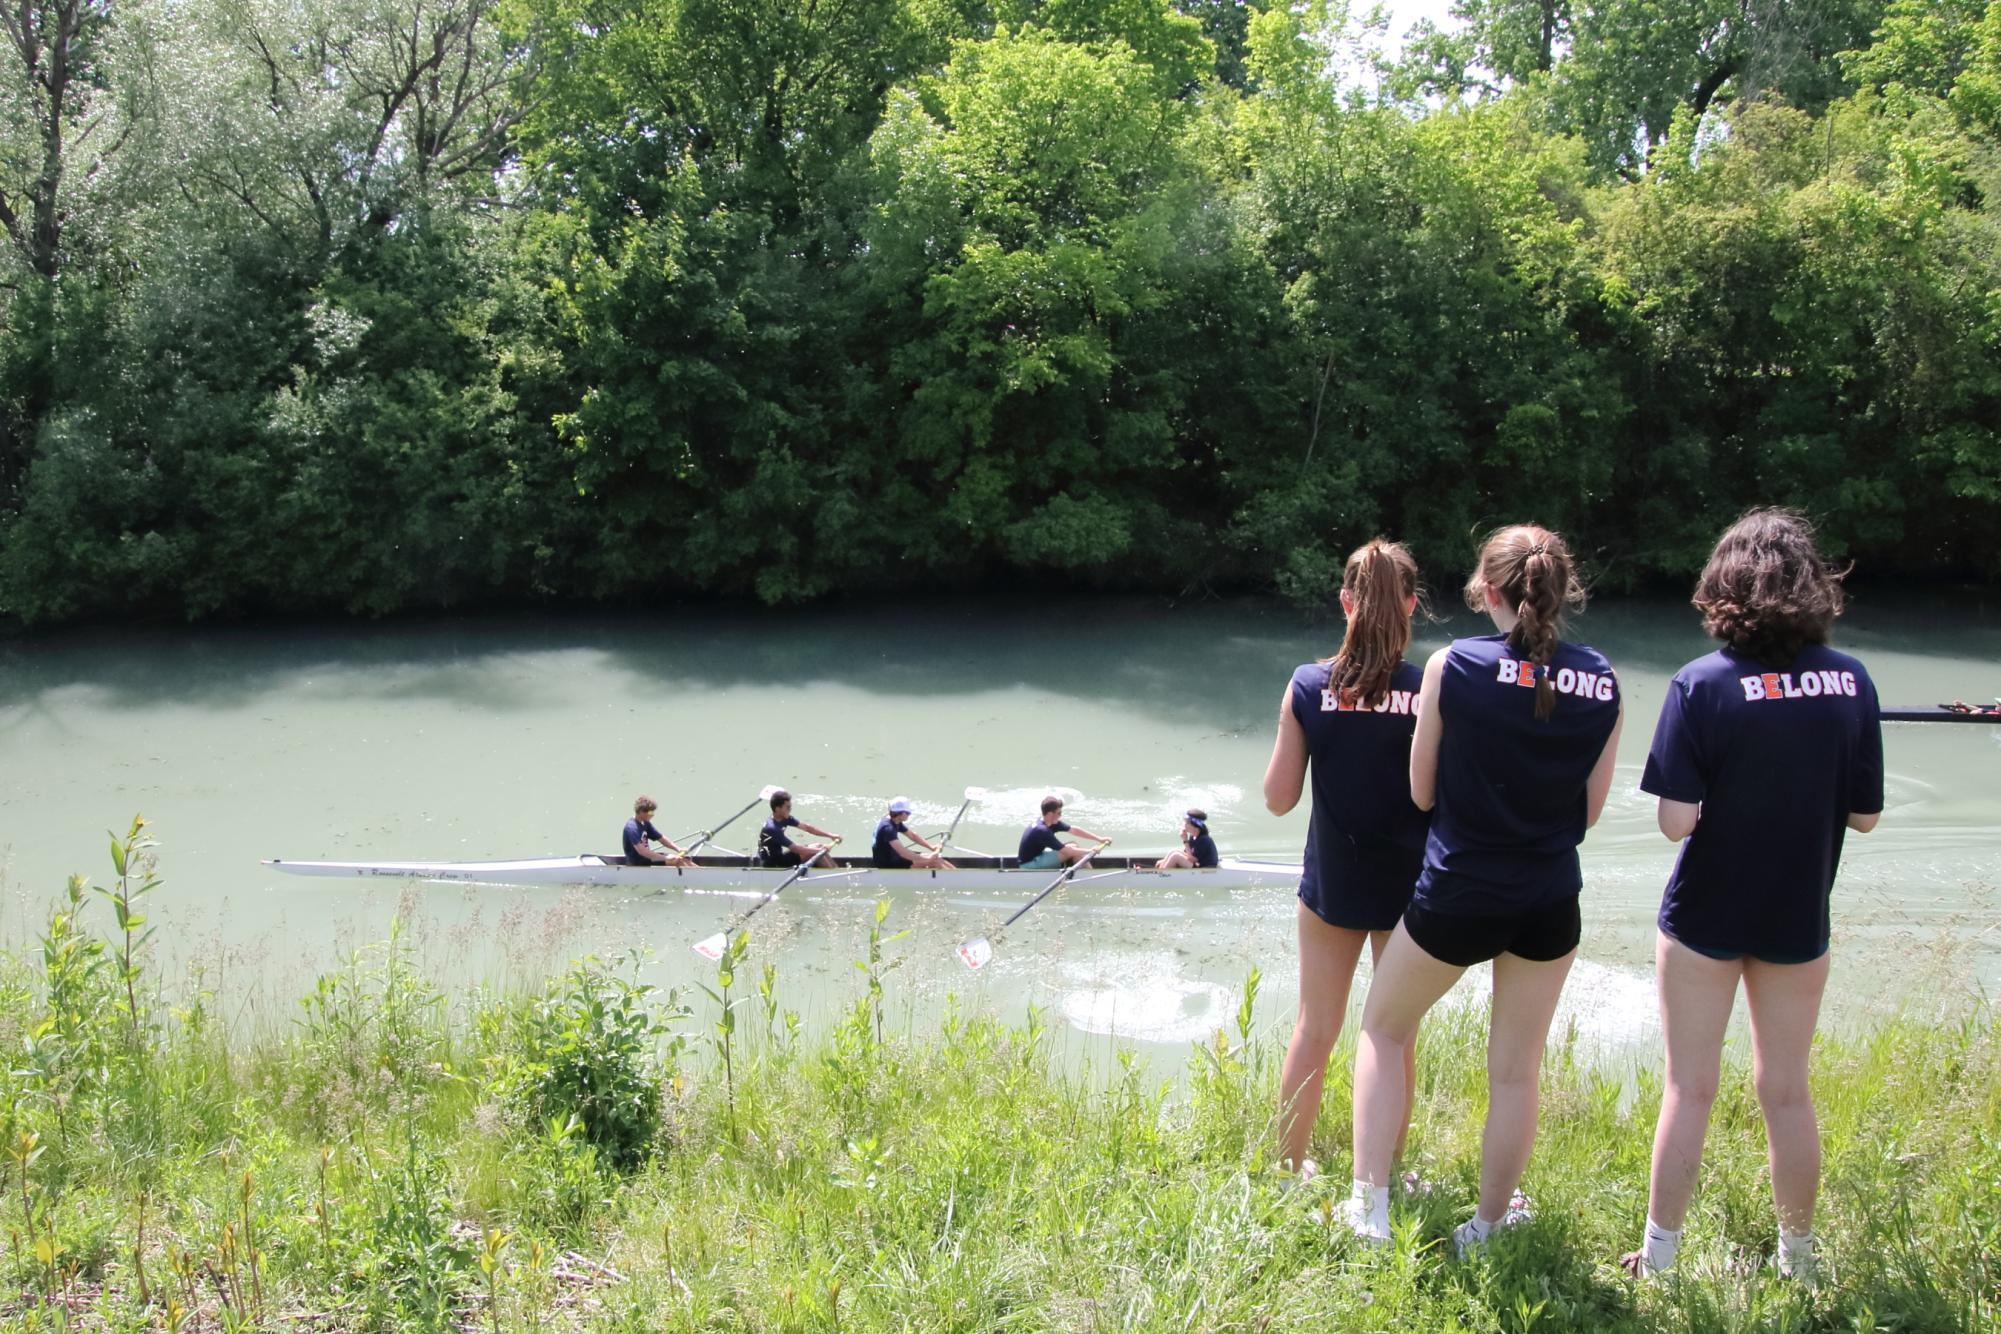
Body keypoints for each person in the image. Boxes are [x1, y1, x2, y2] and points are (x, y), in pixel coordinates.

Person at [1342, 525, 1623, 1255]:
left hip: (1459, 889)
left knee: (1381, 1029)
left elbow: (1421, 789)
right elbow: (1588, 814)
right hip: (1549, 897)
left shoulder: (1453, 665)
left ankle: (1368, 1210)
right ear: (1561, 590)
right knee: (1514, 1074)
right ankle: (1488, 1226)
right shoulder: (1603, 679)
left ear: (1485, 590)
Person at [1620, 510, 1882, 1285]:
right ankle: (1797, 1264)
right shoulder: (1851, 682)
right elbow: (1864, 815)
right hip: (1797, 914)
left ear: (1722, 586)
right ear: (1812, 588)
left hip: (1705, 916)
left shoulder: (1700, 683)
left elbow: (1674, 824)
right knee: (1786, 1091)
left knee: (1688, 1088)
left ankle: (1659, 1260)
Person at [1263, 539, 1428, 1185]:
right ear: (1411, 605)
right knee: (1393, 1038)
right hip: (1408, 891)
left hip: (1331, 884)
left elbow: (1278, 800)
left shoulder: (1309, 685)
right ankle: (1385, 1173)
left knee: (1315, 1028)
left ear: (1344, 602)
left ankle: (1287, 1166)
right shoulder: (1429, 688)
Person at [1017, 795, 1109, 869]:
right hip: (1028, 865)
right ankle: (1089, 877)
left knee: (1073, 846)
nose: (1060, 815)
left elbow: (1074, 830)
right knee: (1072, 852)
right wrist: (1090, 851)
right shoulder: (1042, 831)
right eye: (1059, 813)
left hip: (1038, 856)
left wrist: (1099, 839)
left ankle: (1085, 872)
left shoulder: (1049, 822)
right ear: (1050, 814)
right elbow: (1066, 851)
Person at [757, 789, 840, 869]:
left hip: (780, 857)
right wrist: (820, 851)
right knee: (817, 852)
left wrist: (830, 835)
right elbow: (795, 849)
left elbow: (807, 828)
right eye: (788, 807)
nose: (790, 809)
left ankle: (836, 871)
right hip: (774, 865)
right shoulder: (772, 829)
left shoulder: (784, 818)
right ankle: (838, 879)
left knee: (818, 846)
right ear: (777, 809)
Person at [872, 796, 956, 869]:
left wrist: (932, 847)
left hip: (893, 855)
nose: (910, 814)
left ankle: (957, 875)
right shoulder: (888, 828)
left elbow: (912, 836)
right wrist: (927, 859)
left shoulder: (895, 820)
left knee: (936, 859)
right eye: (908, 813)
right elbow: (903, 852)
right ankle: (959, 880)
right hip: (887, 862)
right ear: (901, 813)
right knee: (935, 862)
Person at [623, 796, 693, 867]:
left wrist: (678, 849)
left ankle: (699, 873)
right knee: (677, 861)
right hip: (637, 862)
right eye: (651, 812)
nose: (653, 815)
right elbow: (642, 851)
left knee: (682, 859)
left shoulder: (645, 823)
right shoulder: (631, 828)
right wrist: (665, 858)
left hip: (647, 858)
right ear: (641, 812)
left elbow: (661, 838)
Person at [1151, 810, 1221, 869]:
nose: (1184, 825)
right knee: (1174, 851)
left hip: (1205, 869)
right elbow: (1187, 853)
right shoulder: (1193, 836)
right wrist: (1164, 861)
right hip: (1196, 865)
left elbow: (1192, 859)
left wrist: (1185, 840)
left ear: (1195, 826)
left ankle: (1160, 876)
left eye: (1187, 823)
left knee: (1175, 856)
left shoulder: (1204, 840)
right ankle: (1160, 871)